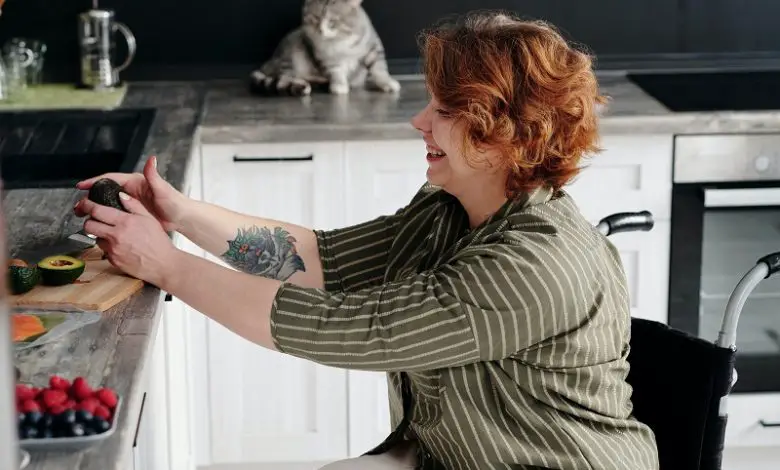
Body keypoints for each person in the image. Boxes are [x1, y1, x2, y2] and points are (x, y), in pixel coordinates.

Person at [73, 10, 660, 470]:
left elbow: (337, 327)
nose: (419, 121)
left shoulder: (532, 264)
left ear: (502, 130)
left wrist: (168, 265)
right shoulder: (449, 209)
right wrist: (181, 211)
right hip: (461, 452)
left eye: (445, 108)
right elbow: (319, 260)